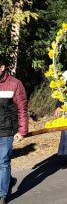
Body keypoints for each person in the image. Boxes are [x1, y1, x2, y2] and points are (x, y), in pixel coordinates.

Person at [0, 56, 28, 204]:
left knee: (3, 161)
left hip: (7, 130)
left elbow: (22, 108)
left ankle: (2, 195)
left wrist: (22, 130)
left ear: (2, 68)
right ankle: (8, 180)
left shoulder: (15, 84)